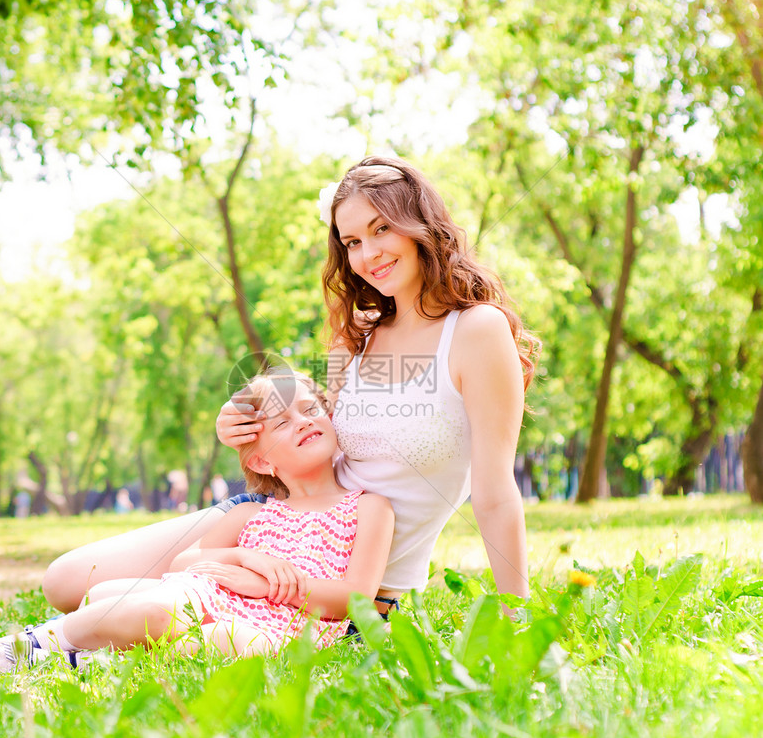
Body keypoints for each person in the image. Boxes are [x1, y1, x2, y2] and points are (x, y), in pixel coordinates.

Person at [37, 155, 537, 617]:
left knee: (122, 605)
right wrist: (238, 423)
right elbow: (303, 427)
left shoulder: (476, 332)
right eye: (352, 242)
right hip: (276, 524)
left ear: (420, 224)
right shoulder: (357, 338)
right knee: (66, 583)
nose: (369, 254)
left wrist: (517, 620)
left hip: (345, 579)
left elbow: (494, 494)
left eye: (381, 228)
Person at [0, 372, 394, 672]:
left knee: (228, 642)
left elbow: (354, 597)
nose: (303, 422)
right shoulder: (252, 514)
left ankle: (81, 657)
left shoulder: (369, 507)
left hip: (283, 626)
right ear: (262, 459)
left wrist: (265, 587)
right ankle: (38, 644)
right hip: (204, 599)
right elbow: (184, 563)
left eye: (311, 409)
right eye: (283, 422)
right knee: (144, 603)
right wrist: (245, 557)